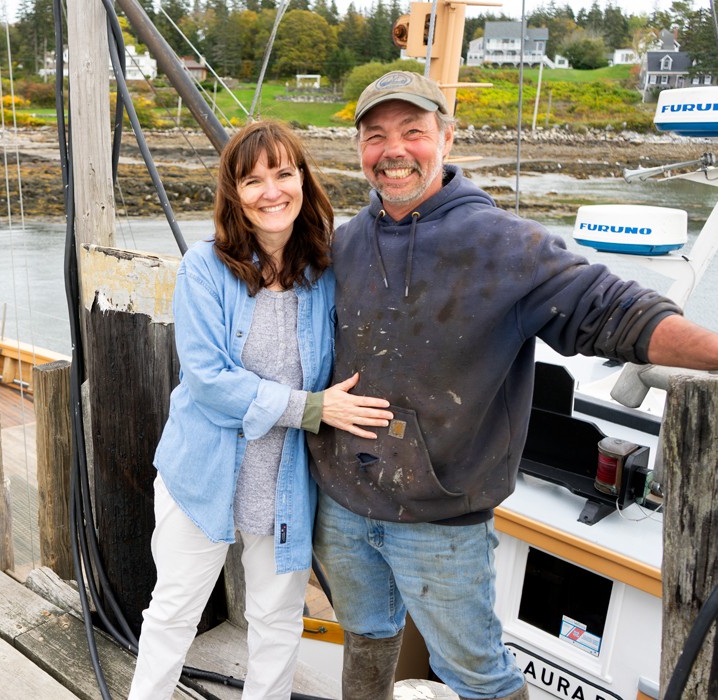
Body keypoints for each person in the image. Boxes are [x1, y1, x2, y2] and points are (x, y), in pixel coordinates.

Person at [307, 69, 718, 700]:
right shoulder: (346, 243)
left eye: (412, 131)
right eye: (375, 135)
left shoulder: (506, 246)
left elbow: (616, 312)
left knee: (478, 675)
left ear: (447, 137)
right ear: (359, 148)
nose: (392, 150)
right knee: (365, 635)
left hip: (440, 520)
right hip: (341, 500)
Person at [128, 119, 393, 699]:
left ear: (303, 180)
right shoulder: (204, 268)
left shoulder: (327, 275)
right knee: (174, 611)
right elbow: (209, 381)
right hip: (201, 474)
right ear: (234, 195)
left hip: (286, 484)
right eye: (252, 180)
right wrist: (310, 407)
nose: (271, 190)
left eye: (283, 173)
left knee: (277, 624)